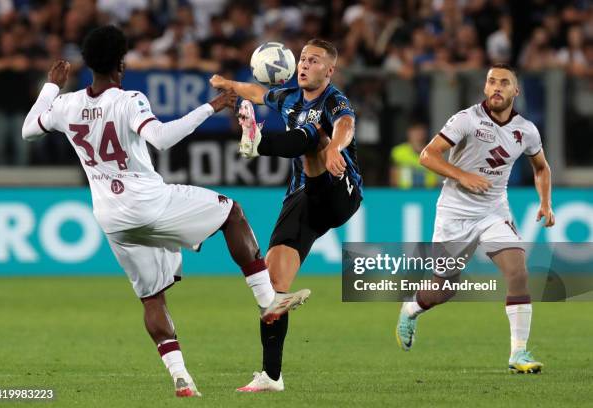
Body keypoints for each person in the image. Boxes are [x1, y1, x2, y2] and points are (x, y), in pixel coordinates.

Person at [21, 25, 310, 398]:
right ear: (122, 65)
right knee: (232, 213)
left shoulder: (67, 104)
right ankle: (267, 300)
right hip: (149, 202)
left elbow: (30, 129)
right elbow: (160, 137)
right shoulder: (129, 100)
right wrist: (210, 107)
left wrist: (51, 86)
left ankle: (181, 377)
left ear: (87, 64)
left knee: (151, 297)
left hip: (111, 217)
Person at [210, 38, 363, 392]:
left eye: (314, 60)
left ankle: (257, 142)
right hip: (303, 199)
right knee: (272, 287)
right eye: (303, 59)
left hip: (340, 191)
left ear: (330, 70)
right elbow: (259, 92)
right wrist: (230, 85)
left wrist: (336, 148)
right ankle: (271, 376)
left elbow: (345, 125)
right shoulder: (289, 96)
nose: (306, 64)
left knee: (315, 137)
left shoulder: (334, 99)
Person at [395, 63, 555, 374]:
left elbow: (541, 168)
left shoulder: (526, 130)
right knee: (443, 289)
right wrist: (462, 175)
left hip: (494, 211)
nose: (497, 87)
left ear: (515, 91)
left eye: (504, 82)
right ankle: (411, 307)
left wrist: (545, 203)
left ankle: (518, 354)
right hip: (455, 214)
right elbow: (427, 154)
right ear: (485, 88)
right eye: (492, 81)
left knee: (518, 271)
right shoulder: (466, 119)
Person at [389, 122, 438, 188]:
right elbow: (393, 177)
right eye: (415, 130)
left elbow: (435, 179)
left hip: (427, 194)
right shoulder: (398, 151)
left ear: (425, 133)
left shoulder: (433, 152)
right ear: (408, 132)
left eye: (420, 130)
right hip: (404, 193)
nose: (418, 134)